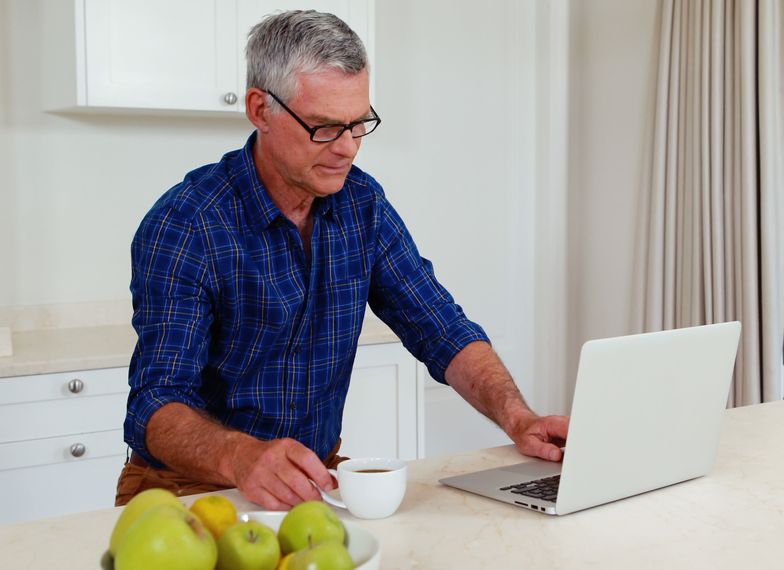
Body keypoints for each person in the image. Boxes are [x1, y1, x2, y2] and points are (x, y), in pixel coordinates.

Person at [116, 10, 569, 510]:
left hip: (311, 479)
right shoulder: (187, 224)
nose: (349, 149)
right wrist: (241, 457)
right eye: (326, 128)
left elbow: (442, 330)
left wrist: (519, 418)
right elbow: (154, 401)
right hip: (187, 488)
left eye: (359, 124)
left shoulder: (362, 205)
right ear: (260, 109)